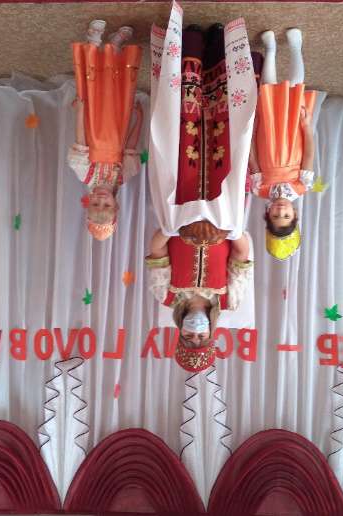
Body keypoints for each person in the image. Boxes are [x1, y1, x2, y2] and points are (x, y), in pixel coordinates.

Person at [147, 14, 256, 372]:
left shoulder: (165, 294)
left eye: (189, 338)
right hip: (223, 207)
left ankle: (191, 45)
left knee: (186, 136)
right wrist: (229, 231)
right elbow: (243, 252)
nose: (196, 334)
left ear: (179, 333)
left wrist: (176, 228)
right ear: (212, 335)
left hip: (183, 199)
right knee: (226, 138)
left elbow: (157, 248)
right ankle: (220, 47)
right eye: (201, 339)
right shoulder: (231, 297)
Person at [67, 20, 143, 241]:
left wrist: (80, 111)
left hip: (94, 122)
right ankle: (115, 45)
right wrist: (139, 119)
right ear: (116, 205)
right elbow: (130, 146)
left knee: (94, 88)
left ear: (88, 202)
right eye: (106, 205)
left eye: (96, 204)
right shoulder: (125, 175)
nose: (101, 199)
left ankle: (93, 42)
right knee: (115, 89)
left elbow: (81, 140)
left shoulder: (84, 172)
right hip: (118, 124)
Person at [249, 28, 317, 261]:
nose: (280, 211)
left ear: (268, 214)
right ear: (295, 213)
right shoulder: (302, 186)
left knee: (267, 89)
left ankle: (271, 50)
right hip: (292, 135)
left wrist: (252, 131)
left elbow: (253, 159)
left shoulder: (259, 189)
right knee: (295, 89)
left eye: (276, 216)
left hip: (267, 136)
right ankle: (296, 47)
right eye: (286, 216)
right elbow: (308, 155)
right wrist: (306, 126)